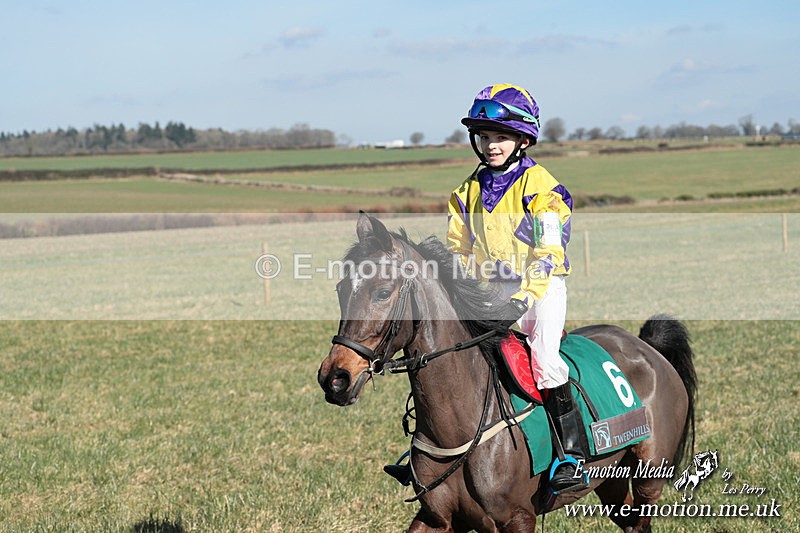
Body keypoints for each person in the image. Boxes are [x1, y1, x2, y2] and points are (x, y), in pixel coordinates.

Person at [447, 83, 588, 494]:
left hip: (540, 291)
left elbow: (549, 251)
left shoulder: (543, 189)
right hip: (492, 292)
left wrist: (523, 297)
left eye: (501, 136)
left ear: (523, 139)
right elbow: (460, 250)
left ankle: (571, 456)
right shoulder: (465, 193)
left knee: (544, 361)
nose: (491, 145)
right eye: (485, 137)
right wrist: (472, 291)